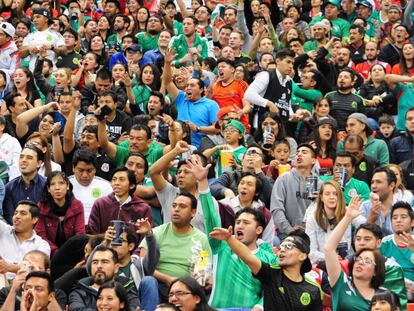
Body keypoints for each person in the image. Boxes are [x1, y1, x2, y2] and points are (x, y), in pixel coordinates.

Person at [192, 157, 277, 309]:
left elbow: (273, 289)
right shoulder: (221, 246)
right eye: (238, 222)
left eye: (246, 223)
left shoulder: (268, 256)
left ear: (259, 230)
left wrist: (260, 306)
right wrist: (203, 183)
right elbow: (210, 216)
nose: (240, 226)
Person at [209, 226, 322, 310]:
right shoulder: (270, 274)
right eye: (281, 246)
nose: (282, 250)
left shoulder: (313, 289)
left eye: (288, 247)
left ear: (302, 256)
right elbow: (248, 256)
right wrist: (229, 239)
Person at [139, 191, 212, 302]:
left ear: (193, 212)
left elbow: (200, 274)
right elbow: (142, 264)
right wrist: (167, 278)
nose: (176, 209)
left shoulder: (202, 239)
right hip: (158, 285)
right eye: (174, 206)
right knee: (148, 281)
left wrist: (181, 285)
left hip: (186, 288)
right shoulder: (156, 233)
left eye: (182, 206)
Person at [324, 195, 386, 310]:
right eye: (358, 259)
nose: (360, 263)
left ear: (376, 271)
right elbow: (329, 249)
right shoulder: (341, 284)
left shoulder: (383, 297)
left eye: (367, 261)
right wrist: (348, 217)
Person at [162, 48, 219, 148]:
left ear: (201, 90)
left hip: (200, 148)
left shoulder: (211, 104)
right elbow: (167, 82)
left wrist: (197, 128)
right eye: (187, 85)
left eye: (192, 85)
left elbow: (217, 128)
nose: (188, 87)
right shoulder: (181, 98)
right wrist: (167, 63)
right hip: (178, 147)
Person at [103, 218, 159, 311]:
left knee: (149, 280)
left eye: (119, 240)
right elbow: (90, 268)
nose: (114, 244)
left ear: (131, 246)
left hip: (139, 306)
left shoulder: (140, 265)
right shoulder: (105, 266)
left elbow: (154, 256)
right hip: (112, 306)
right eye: (112, 240)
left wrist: (149, 235)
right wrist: (105, 243)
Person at [305, 180, 366, 264]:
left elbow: (366, 226)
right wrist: (330, 257)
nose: (332, 197)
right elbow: (312, 253)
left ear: (340, 197)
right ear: (321, 197)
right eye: (327, 194)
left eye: (335, 194)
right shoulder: (312, 218)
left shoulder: (347, 211)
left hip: (347, 261)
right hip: (323, 263)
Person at [68, 245, 140, 311]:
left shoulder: (127, 287)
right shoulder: (79, 291)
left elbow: (133, 307)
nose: (99, 266)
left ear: (116, 268)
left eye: (104, 262)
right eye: (95, 262)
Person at [270, 143, 319, 239]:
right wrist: (289, 229)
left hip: (313, 236)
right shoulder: (284, 178)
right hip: (286, 236)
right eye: (297, 153)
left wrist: (319, 203)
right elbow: (276, 208)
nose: (299, 154)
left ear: (313, 160)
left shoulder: (318, 183)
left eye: (304, 152)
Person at [88, 167, 152, 235]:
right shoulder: (100, 204)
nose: (116, 183)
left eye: (121, 180)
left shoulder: (143, 208)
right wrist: (103, 238)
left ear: (132, 185)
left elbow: (146, 236)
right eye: (114, 180)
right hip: (103, 245)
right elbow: (92, 233)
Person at [35, 171, 86, 255]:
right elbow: (41, 236)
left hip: (72, 252)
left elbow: (80, 234)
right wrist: (57, 252)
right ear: (48, 189)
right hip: (48, 252)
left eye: (61, 183)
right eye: (52, 184)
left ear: (68, 186)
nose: (57, 188)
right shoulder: (41, 207)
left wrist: (66, 253)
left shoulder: (77, 205)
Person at [244, 48, 295, 130]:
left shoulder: (289, 81)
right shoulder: (266, 76)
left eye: (292, 63)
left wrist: (292, 115)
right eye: (288, 62)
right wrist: (269, 104)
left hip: (281, 126)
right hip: (264, 125)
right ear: (278, 61)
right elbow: (248, 94)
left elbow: (286, 103)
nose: (291, 66)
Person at [0, 250, 67, 311]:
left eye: (35, 269)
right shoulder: (6, 292)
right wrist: (13, 290)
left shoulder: (57, 294)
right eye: (28, 267)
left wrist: (42, 280)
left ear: (47, 272)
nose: (31, 273)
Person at [0, 200, 50, 280]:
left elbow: (38, 270)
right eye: (15, 213)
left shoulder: (42, 245)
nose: (17, 216)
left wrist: (9, 267)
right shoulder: (3, 230)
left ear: (34, 219)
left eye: (23, 213)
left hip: (26, 285)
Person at [218, 173, 274, 244]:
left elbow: (267, 243)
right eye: (242, 183)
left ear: (257, 192)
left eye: (249, 184)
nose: (244, 187)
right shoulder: (222, 206)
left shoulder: (265, 214)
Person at [2, 145, 46, 224]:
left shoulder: (47, 186)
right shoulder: (9, 187)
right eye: (21, 157)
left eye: (29, 158)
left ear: (39, 163)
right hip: (15, 232)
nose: (23, 160)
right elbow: (9, 217)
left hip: (41, 233)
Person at [380, 201, 414, 301]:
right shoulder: (383, 243)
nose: (398, 220)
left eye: (403, 217)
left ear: (412, 222)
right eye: (395, 218)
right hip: (389, 293)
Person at [68, 149, 113, 224]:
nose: (85, 175)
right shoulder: (65, 184)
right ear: (73, 168)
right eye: (81, 170)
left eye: (89, 171)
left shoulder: (106, 186)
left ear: (95, 169)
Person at [361, 167, 397, 236]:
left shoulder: (403, 207)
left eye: (378, 182)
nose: (373, 186)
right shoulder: (364, 207)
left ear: (391, 185)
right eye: (372, 182)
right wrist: (371, 219)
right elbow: (357, 239)